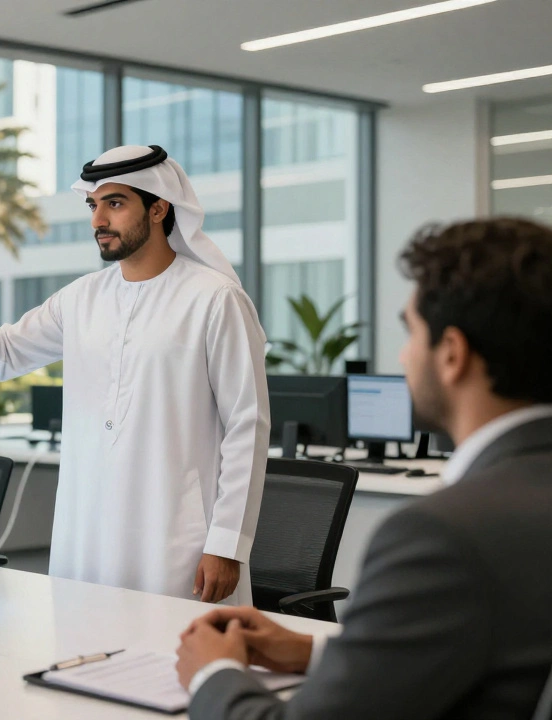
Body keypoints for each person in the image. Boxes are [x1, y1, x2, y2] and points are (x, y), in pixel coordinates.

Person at [176, 218, 552, 719]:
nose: (403, 354)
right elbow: (501, 654)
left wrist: (212, 674)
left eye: (410, 331)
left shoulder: (444, 536)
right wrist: (317, 651)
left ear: (452, 354)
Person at [0, 145, 269, 604]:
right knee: (83, 654)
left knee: (174, 662)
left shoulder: (215, 299)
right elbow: (4, 354)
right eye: (93, 205)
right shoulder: (79, 299)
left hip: (176, 538)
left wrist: (227, 545)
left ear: (158, 209)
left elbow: (247, 426)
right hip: (87, 532)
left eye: (115, 204)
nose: (98, 220)